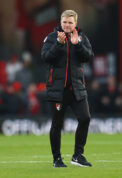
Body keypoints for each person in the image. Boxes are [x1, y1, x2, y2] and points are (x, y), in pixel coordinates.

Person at [41, 10, 93, 168]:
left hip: (77, 88)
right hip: (58, 90)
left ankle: (78, 155)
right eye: (65, 22)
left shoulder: (82, 38)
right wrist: (58, 44)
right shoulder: (51, 38)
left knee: (85, 118)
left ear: (75, 23)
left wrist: (77, 45)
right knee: (57, 125)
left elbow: (88, 57)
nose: (67, 25)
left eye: (70, 22)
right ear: (60, 22)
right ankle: (57, 159)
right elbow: (45, 58)